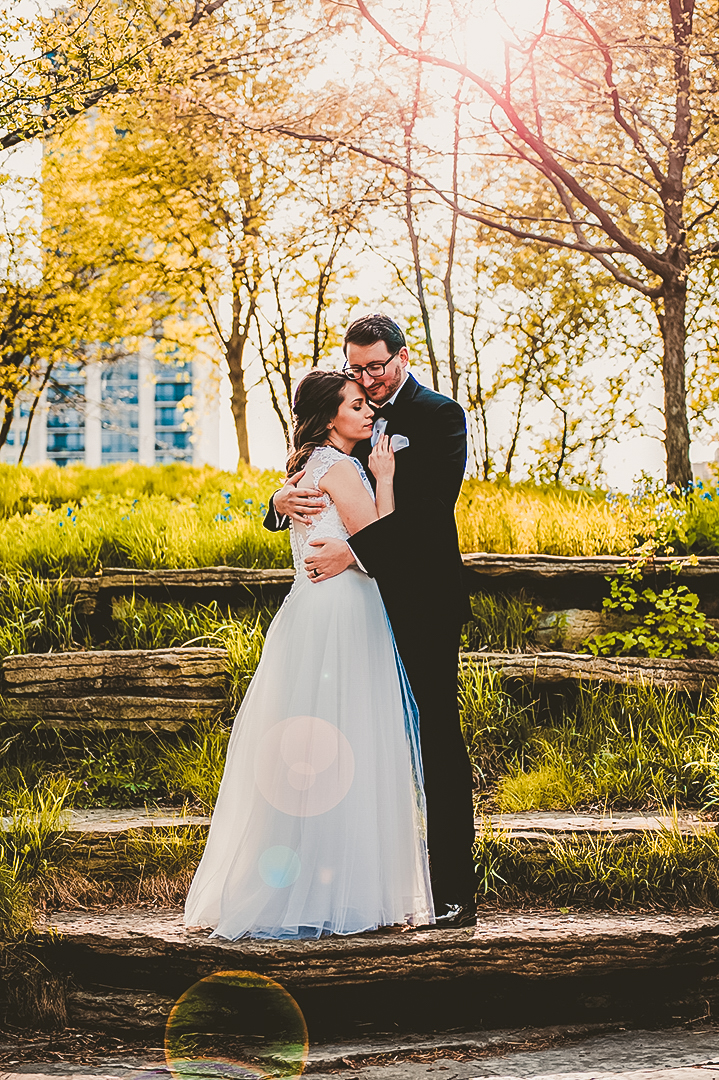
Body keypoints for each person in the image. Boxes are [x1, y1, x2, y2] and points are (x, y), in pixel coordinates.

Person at [185, 369, 434, 939]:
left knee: (308, 752)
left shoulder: (306, 466)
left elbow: (341, 537)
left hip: (308, 614)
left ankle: (303, 885)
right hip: (344, 615)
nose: (368, 410)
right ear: (328, 419)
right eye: (354, 404)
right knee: (350, 740)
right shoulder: (341, 468)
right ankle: (344, 892)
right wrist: (386, 476)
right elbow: (383, 548)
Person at [265, 314, 476, 929]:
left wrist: (353, 552)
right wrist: (275, 504)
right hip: (359, 611)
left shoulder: (439, 417)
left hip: (423, 605)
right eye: (356, 370)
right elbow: (313, 473)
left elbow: (431, 515)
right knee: (357, 738)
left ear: (401, 359)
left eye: (376, 368)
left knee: (435, 741)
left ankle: (453, 893)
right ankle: (348, 884)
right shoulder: (347, 417)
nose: (366, 380)